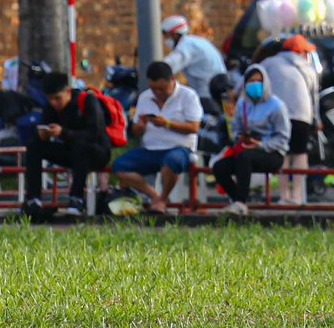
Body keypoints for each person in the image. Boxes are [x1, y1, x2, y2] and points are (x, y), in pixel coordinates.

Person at [111, 61, 203, 215]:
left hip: (180, 148)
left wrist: (167, 123)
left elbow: (193, 127)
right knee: (120, 165)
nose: (158, 93)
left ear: (172, 80)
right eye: (154, 89)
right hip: (151, 149)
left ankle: (162, 198)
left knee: (171, 161)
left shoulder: (188, 96)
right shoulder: (145, 97)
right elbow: (135, 130)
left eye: (162, 88)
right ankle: (155, 196)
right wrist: (139, 127)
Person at [25, 69, 112, 216]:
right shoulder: (51, 108)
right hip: (72, 153)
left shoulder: (87, 101)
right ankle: (33, 199)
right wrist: (43, 135)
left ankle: (76, 199)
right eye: (50, 99)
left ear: (67, 91)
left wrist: (64, 133)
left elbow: (94, 133)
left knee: (81, 147)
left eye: (57, 98)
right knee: (34, 146)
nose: (54, 103)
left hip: (96, 152)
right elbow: (44, 127)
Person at [211, 65, 290, 217]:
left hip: (272, 152)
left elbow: (283, 137)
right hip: (246, 148)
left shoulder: (277, 106)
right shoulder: (242, 104)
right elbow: (235, 128)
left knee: (245, 158)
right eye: (251, 81)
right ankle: (238, 201)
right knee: (219, 166)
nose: (255, 85)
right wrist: (239, 137)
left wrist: (260, 144)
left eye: (259, 81)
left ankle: (240, 202)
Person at [260, 36, 319, 207]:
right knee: (300, 154)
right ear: (299, 52)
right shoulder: (308, 68)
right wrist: (316, 119)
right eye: (306, 52)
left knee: (282, 153)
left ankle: (284, 197)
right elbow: (314, 97)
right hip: (302, 114)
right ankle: (298, 196)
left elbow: (252, 78)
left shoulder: (269, 63)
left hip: (277, 113)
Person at [161, 15, 227, 90]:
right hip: (216, 87)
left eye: (165, 34)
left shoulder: (185, 46)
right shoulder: (196, 41)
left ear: (175, 34)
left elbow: (166, 67)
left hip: (207, 92)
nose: (164, 39)